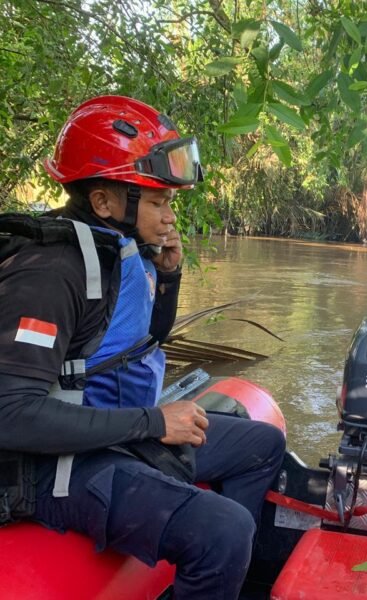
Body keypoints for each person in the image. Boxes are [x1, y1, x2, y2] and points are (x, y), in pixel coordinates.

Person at [0, 96, 286, 598]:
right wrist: (155, 423)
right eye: (157, 202)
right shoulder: (49, 273)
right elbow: (10, 414)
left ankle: (219, 576)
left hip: (115, 428)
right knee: (224, 531)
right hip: (51, 466)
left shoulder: (115, 249)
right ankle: (211, 549)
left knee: (262, 446)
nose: (169, 216)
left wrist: (169, 277)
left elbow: (141, 342)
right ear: (105, 202)